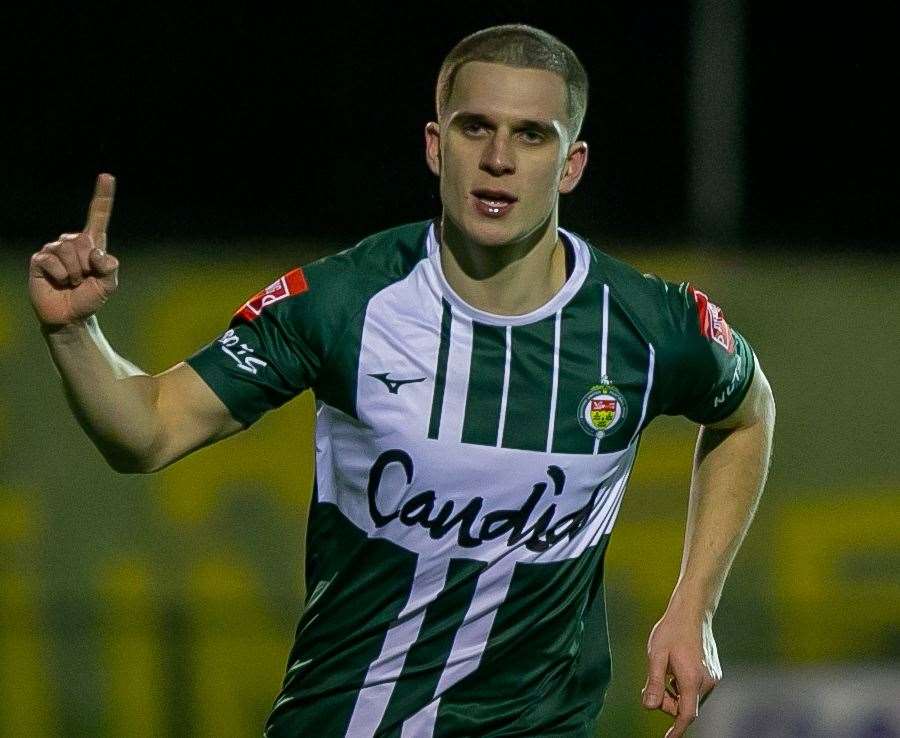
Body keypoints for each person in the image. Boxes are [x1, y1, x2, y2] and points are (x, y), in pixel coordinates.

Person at [29, 23, 775, 738]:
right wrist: (72, 332)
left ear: (571, 164)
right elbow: (151, 429)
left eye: (531, 134)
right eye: (474, 127)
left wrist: (694, 603)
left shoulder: (646, 326)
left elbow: (747, 411)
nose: (498, 159)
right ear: (434, 145)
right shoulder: (344, 304)